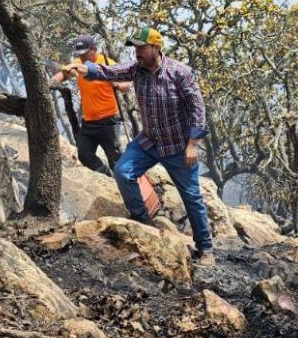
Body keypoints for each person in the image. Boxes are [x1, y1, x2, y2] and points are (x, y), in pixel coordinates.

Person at [65, 26, 214, 265]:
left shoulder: (180, 72)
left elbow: (198, 109)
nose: (137, 53)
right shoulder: (136, 70)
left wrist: (193, 144)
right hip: (150, 140)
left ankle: (205, 249)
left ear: (156, 47)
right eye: (135, 48)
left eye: (142, 48)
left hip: (178, 145)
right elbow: (110, 70)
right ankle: (144, 222)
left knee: (191, 196)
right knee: (123, 172)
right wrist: (86, 68)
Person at [51, 35, 131, 176]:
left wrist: (117, 84)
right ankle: (108, 177)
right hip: (88, 123)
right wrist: (51, 82)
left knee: (116, 160)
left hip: (109, 122)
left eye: (85, 54)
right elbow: (62, 75)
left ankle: (125, 185)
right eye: (79, 55)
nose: (82, 58)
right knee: (84, 155)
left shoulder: (107, 63)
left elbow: (126, 85)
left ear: (94, 49)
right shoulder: (78, 64)